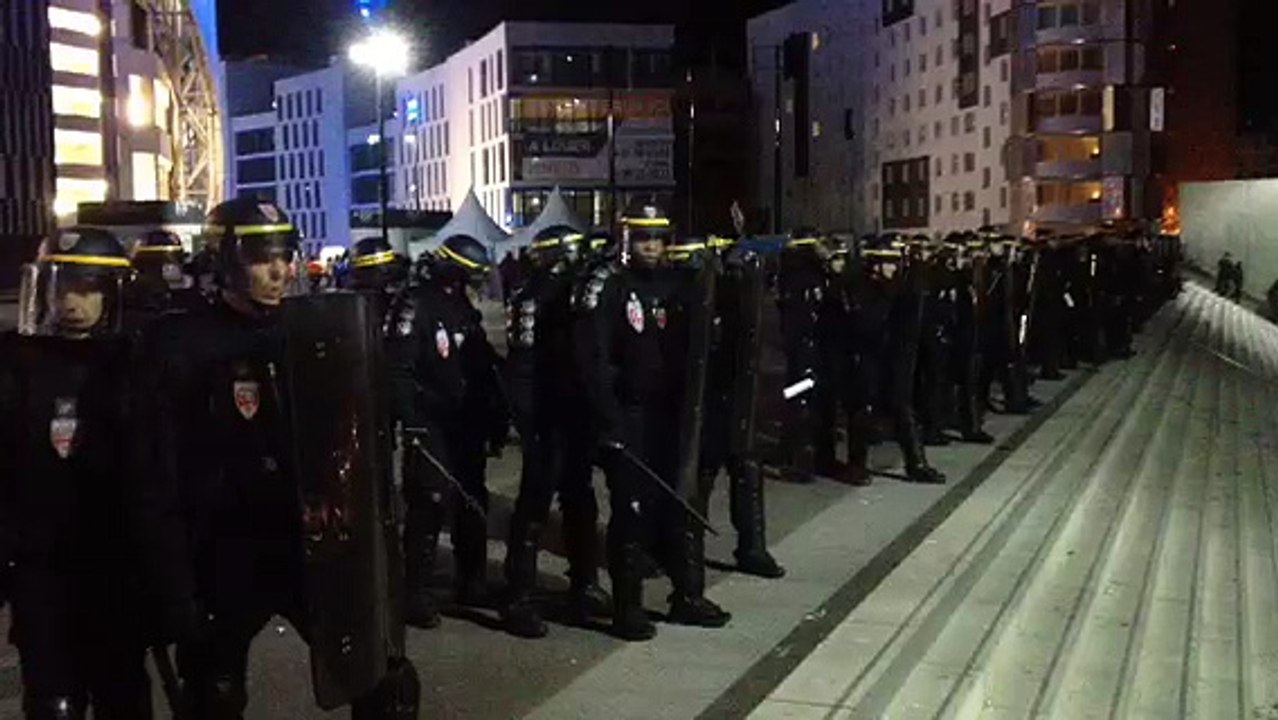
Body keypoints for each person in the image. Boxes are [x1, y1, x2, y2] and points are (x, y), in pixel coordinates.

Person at [134, 199, 418, 719]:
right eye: (261, 256)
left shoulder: (311, 330)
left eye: (286, 254)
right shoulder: (178, 342)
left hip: (305, 543)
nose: (280, 270)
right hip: (222, 549)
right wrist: (172, 583)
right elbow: (158, 472)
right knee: (213, 696)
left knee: (386, 680)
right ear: (223, 258)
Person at [0, 228, 157, 719]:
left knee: (121, 692)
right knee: (53, 701)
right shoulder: (14, 362)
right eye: (62, 287)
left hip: (115, 558)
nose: (71, 302)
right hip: (39, 561)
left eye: (86, 288)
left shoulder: (136, 361)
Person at [576, 201, 730, 641]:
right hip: (627, 416)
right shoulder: (606, 284)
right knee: (631, 512)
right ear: (626, 238)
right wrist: (609, 423)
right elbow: (593, 359)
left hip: (667, 415)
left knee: (674, 507)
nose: (652, 246)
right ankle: (628, 607)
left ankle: (686, 596)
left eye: (658, 238)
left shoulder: (672, 281)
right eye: (643, 238)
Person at [387, 235, 505, 621]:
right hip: (431, 422)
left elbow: (482, 363)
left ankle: (471, 581)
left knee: (473, 501)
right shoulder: (414, 303)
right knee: (429, 503)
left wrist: (496, 414)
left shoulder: (461, 307)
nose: (475, 284)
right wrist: (411, 422)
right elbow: (399, 369)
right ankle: (415, 591)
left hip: (464, 422)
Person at [501, 227, 609, 638]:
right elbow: (522, 367)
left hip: (576, 414)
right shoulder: (532, 297)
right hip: (545, 415)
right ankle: (520, 596)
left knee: (581, 500)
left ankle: (584, 583)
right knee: (533, 506)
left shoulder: (581, 296)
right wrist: (528, 422)